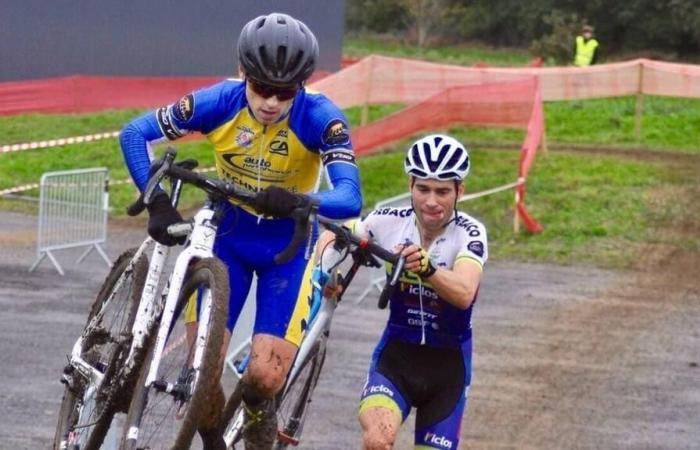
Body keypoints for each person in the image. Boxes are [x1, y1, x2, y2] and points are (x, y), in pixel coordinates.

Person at [119, 12, 362, 450]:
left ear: (302, 86)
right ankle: (214, 441)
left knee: (263, 377)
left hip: (285, 247)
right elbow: (135, 134)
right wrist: (156, 202)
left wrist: (302, 200)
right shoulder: (217, 101)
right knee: (203, 376)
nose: (271, 101)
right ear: (242, 74)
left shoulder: (321, 117)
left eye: (284, 92)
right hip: (227, 236)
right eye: (262, 88)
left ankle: (258, 413)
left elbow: (350, 196)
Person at [334, 134, 488, 450]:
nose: (431, 201)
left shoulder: (470, 232)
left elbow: (464, 292)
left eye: (443, 191)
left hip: (448, 371)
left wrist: (428, 269)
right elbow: (338, 238)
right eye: (423, 189)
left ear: (460, 190)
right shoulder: (387, 221)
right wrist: (328, 274)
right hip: (397, 361)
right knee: (377, 440)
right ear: (410, 186)